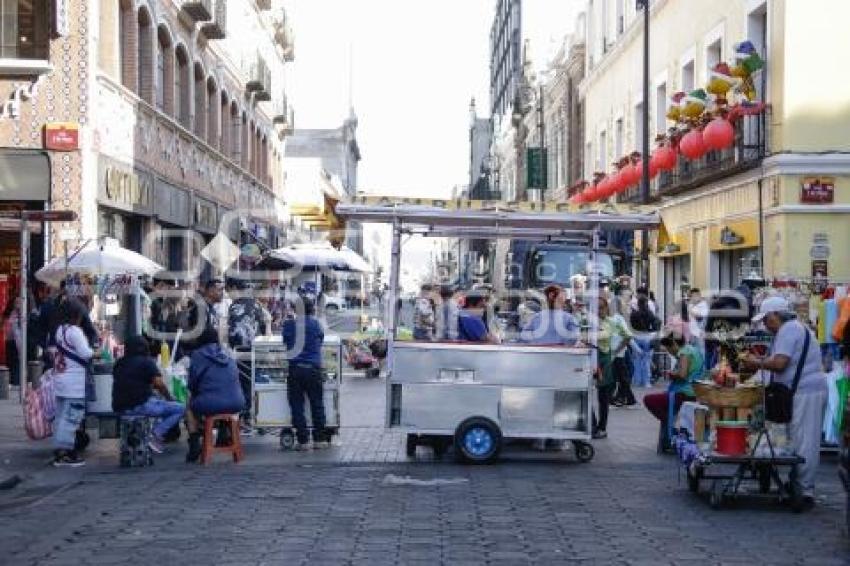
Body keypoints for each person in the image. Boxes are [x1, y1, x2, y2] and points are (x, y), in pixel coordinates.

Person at [741, 296, 827, 507]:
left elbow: (780, 363)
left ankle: (805, 490)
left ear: (776, 315)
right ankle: (798, 483)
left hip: (806, 392)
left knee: (805, 440)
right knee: (798, 438)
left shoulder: (790, 330)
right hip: (800, 391)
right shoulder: (789, 330)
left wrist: (756, 362)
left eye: (766, 319)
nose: (764, 324)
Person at [112, 335, 185, 454]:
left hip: (120, 407)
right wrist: (169, 398)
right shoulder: (146, 362)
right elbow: (159, 384)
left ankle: (151, 435)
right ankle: (155, 434)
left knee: (156, 402)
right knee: (180, 408)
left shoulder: (119, 363)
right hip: (140, 405)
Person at [184, 328, 246, 462]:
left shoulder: (198, 355)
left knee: (189, 406)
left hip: (211, 403)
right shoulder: (228, 353)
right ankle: (224, 432)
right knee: (220, 399)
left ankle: (194, 443)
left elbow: (192, 384)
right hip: (236, 401)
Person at [51, 298, 94, 467]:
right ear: (77, 314)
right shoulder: (75, 332)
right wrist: (95, 352)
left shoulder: (60, 330)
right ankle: (65, 453)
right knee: (71, 418)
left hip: (61, 380)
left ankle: (59, 449)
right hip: (73, 382)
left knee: (61, 416)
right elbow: (85, 353)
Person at [282, 298, 327, 450]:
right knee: (317, 404)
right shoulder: (315, 324)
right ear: (311, 309)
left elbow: (286, 341)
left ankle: (303, 441)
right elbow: (320, 339)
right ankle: (319, 439)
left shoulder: (289, 325)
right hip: (313, 369)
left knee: (297, 405)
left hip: (295, 369)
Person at [643, 334, 702, 436]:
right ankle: (671, 423)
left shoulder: (684, 352)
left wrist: (671, 374)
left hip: (685, 393)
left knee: (648, 399)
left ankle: (671, 425)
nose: (669, 352)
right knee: (662, 401)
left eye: (669, 349)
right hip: (693, 391)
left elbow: (682, 374)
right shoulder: (694, 350)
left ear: (674, 344)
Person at [592, 297, 633, 439]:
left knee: (603, 397)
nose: (599, 310)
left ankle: (601, 427)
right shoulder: (588, 322)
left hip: (604, 361)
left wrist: (615, 352)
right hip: (588, 361)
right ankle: (591, 424)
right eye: (596, 307)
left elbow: (628, 336)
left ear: (607, 308)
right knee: (583, 393)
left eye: (602, 307)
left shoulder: (612, 322)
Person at [630, 295, 660, 387]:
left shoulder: (634, 314)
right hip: (647, 336)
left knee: (637, 360)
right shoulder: (650, 313)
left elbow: (631, 327)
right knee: (646, 360)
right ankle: (646, 381)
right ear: (646, 303)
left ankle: (637, 381)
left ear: (638, 304)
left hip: (636, 336)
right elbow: (655, 325)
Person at [3, 298, 22, 386]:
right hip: (13, 341)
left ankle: (12, 381)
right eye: (17, 302)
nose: (19, 304)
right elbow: (15, 331)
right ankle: (14, 381)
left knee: (12, 362)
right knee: (13, 362)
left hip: (10, 340)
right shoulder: (15, 314)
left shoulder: (15, 314)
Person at [688, 288, 710, 361]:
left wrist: (691, 312)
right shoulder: (691, 305)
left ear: (699, 296)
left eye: (694, 296)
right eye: (691, 296)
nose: (692, 298)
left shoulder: (703, 305)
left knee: (700, 353)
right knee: (693, 354)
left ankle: (702, 371)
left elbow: (700, 317)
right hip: (691, 333)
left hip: (699, 333)